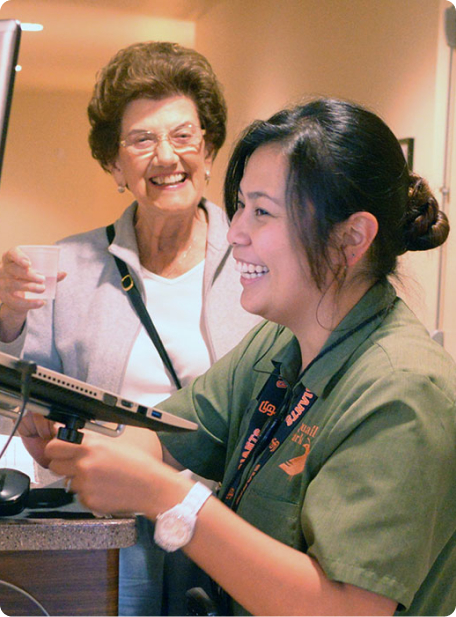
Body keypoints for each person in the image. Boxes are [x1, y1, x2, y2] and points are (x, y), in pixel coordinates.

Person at [18, 98, 456, 616]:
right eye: (241, 206)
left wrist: (170, 499)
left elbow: (347, 609)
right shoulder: (278, 344)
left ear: (351, 237)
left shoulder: (402, 391)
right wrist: (73, 443)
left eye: (263, 212)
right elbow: (165, 438)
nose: (236, 233)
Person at [0, 42, 260, 616]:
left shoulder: (257, 261)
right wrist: (8, 315)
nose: (166, 156)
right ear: (114, 165)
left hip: (229, 534)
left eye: (183, 135)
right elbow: (14, 407)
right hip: (106, 537)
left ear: (210, 147)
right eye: (142, 140)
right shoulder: (72, 265)